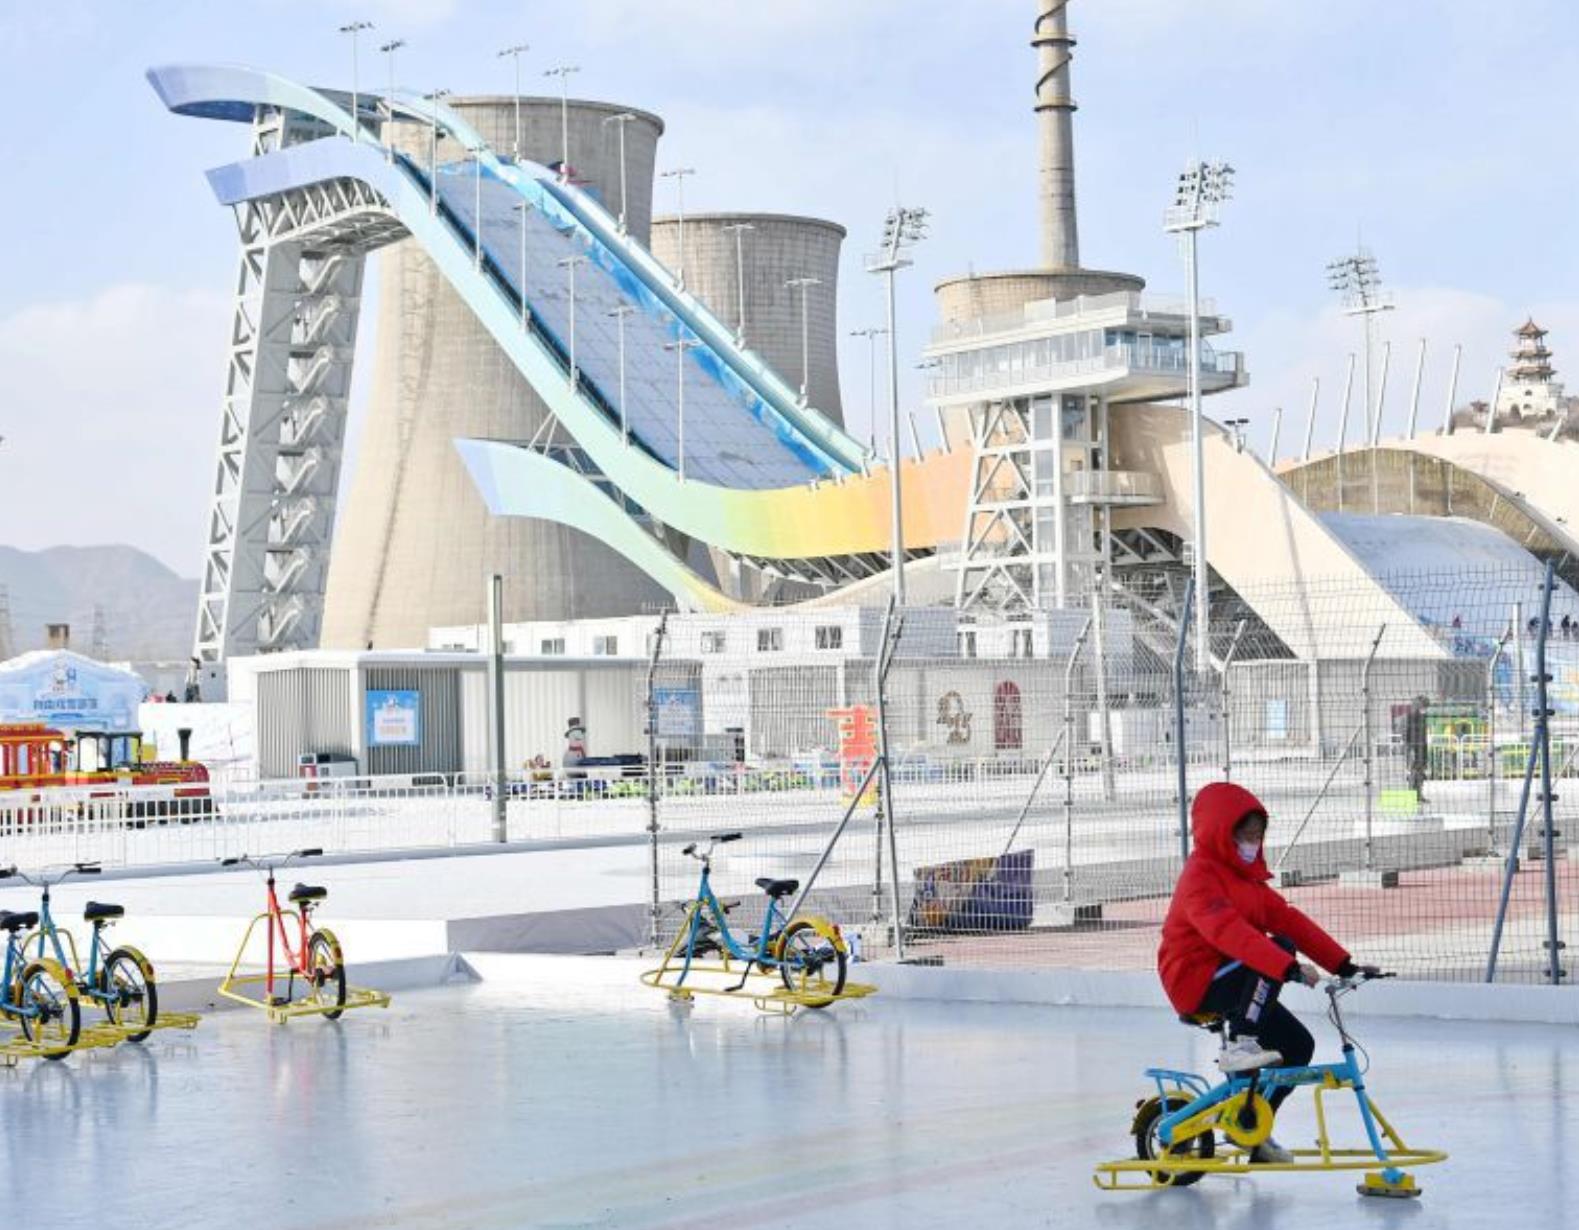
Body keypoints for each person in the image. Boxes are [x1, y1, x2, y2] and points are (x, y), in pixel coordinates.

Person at [1158, 781, 1377, 1165]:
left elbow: (1289, 920)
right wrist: (1286, 966)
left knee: (1297, 1046)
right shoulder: (1200, 877)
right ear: (1222, 833)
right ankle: (1240, 1043)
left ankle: (1252, 1129)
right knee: (1278, 949)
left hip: (1235, 978)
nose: (1252, 843)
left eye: (1258, 835)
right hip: (1195, 979)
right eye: (1245, 835)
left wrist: (1343, 964)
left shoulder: (1248, 879)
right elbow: (1228, 932)